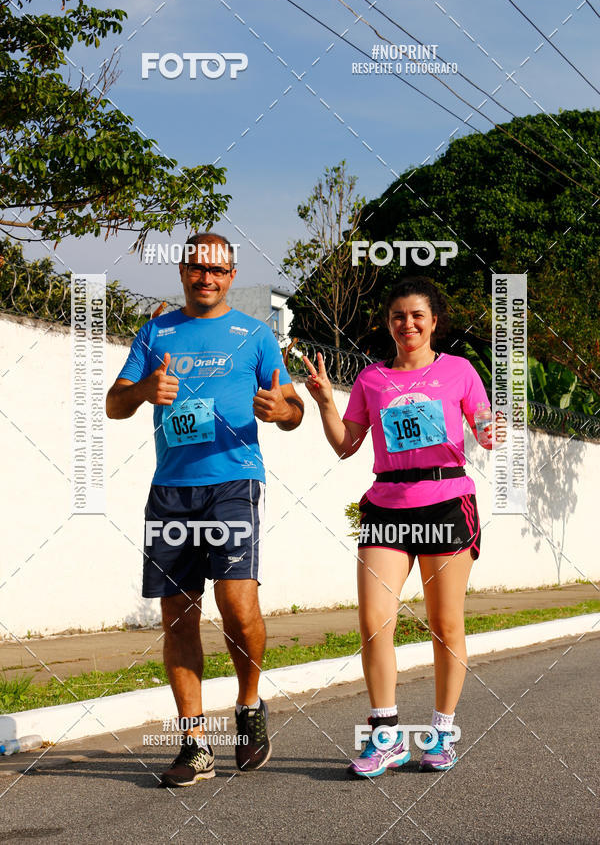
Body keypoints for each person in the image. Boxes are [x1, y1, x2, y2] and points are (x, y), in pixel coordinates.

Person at [106, 232, 304, 787]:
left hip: (232, 482)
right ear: (184, 271)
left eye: (218, 271)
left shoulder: (256, 335)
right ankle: (194, 744)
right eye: (197, 268)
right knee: (179, 616)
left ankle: (248, 707)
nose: (207, 278)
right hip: (171, 489)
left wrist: (279, 411)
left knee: (238, 606)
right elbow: (113, 404)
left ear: (231, 276)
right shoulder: (156, 332)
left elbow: (294, 410)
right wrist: (145, 388)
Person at [303, 277, 499, 779]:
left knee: (445, 624)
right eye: (397, 316)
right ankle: (386, 737)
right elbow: (346, 445)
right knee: (373, 621)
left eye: (417, 316)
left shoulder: (458, 371)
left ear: (434, 322)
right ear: (388, 324)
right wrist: (326, 399)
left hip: (446, 502)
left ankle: (441, 732)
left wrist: (488, 425)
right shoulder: (371, 380)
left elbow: (483, 425)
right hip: (387, 506)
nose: (407, 324)